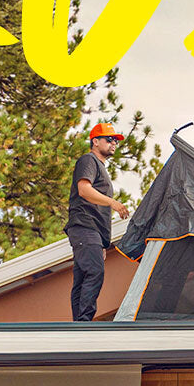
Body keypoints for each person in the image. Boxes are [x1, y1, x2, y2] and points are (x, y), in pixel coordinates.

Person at [66, 123, 130, 321]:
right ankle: (84, 322)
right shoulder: (89, 160)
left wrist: (102, 243)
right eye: (109, 139)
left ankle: (78, 324)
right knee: (94, 271)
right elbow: (84, 190)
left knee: (83, 277)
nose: (114, 144)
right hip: (85, 227)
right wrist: (113, 203)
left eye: (116, 141)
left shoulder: (99, 166)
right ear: (95, 141)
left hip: (91, 232)